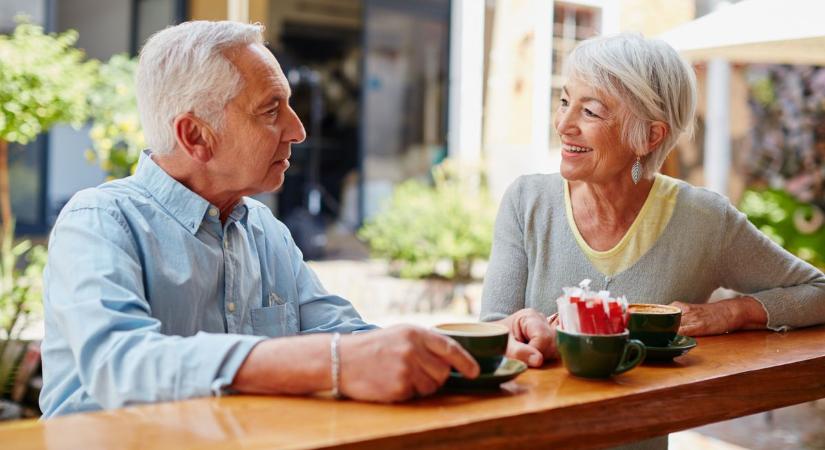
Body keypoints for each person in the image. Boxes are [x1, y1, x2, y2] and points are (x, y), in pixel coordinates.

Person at [39, 21, 489, 418]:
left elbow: (350, 340)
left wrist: (484, 350)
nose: (298, 130)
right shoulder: (99, 221)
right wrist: (330, 363)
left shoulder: (263, 228)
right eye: (271, 111)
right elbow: (121, 364)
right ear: (195, 135)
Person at [480, 33, 825, 448]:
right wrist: (518, 331)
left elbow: (817, 291)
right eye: (564, 101)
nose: (564, 124)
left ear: (649, 136)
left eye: (589, 111)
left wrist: (729, 313)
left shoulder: (704, 220)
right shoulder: (527, 201)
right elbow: (489, 331)